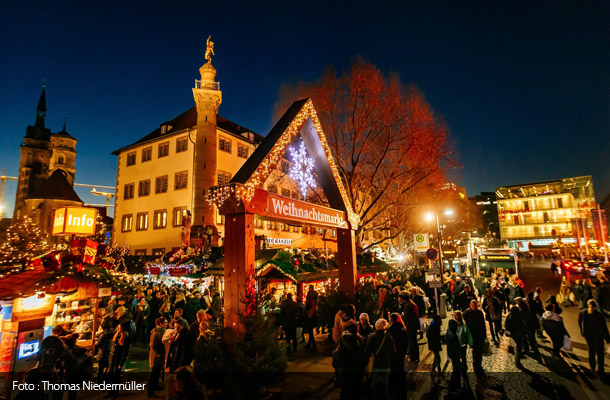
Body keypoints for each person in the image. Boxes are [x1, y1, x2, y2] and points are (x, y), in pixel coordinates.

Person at [332, 323, 367, 400]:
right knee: (354, 391)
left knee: (344, 390)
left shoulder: (342, 339)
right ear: (357, 330)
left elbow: (336, 352)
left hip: (345, 369)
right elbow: (362, 355)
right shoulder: (358, 340)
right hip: (355, 369)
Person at [366, 319, 396, 400]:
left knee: (376, 385)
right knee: (385, 385)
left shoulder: (371, 336)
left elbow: (367, 351)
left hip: (375, 364)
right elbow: (393, 351)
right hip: (386, 364)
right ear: (384, 326)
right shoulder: (389, 337)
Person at [578, 299, 610, 377]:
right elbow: (604, 328)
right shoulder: (599, 315)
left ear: (587, 304)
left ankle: (592, 368)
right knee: (600, 353)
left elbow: (580, 323)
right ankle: (600, 369)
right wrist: (608, 339)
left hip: (589, 336)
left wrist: (583, 333)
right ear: (596, 306)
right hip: (598, 336)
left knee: (591, 351)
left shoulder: (582, 313)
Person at [387, 313, 408, 400]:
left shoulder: (390, 332)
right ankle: (402, 388)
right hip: (401, 354)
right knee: (400, 369)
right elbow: (406, 343)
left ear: (391, 320)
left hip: (393, 355)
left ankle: (395, 390)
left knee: (393, 372)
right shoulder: (402, 330)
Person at [107, 322, 131, 399]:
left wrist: (121, 363)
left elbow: (125, 352)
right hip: (113, 359)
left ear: (123, 329)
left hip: (118, 359)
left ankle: (115, 393)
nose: (118, 329)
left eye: (119, 328)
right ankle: (110, 392)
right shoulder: (116, 335)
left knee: (116, 377)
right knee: (110, 375)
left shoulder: (125, 338)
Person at [463, 300, 486, 374]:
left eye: (475, 305)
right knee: (475, 351)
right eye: (473, 305)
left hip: (479, 335)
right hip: (472, 335)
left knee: (479, 351)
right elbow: (464, 324)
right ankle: (476, 365)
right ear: (470, 305)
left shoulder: (479, 313)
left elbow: (483, 324)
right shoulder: (467, 313)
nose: (474, 307)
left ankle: (478, 364)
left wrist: (484, 334)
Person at [446, 319, 469, 392]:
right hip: (454, 355)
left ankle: (456, 385)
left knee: (457, 370)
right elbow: (456, 346)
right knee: (456, 371)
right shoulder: (453, 336)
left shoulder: (449, 332)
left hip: (452, 354)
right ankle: (453, 387)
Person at [148, 317, 167, 398]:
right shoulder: (156, 333)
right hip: (156, 356)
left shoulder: (160, 331)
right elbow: (154, 345)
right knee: (153, 374)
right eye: (165, 323)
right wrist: (161, 352)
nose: (166, 324)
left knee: (157, 372)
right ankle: (150, 391)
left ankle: (155, 386)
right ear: (161, 324)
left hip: (158, 356)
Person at [454, 311, 472, 382]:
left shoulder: (464, 325)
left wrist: (470, 342)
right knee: (458, 357)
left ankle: (464, 369)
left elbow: (468, 334)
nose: (456, 317)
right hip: (456, 345)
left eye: (457, 315)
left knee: (463, 357)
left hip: (462, 344)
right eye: (455, 315)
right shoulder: (453, 324)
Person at [94, 318, 113, 383]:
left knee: (100, 370)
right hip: (110, 354)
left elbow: (98, 345)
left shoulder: (103, 335)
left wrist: (96, 342)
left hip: (102, 354)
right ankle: (107, 381)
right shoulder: (113, 333)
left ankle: (100, 383)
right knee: (107, 368)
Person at [305, 284, 319, 352]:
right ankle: (310, 344)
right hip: (312, 313)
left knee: (310, 330)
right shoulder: (310, 294)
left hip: (310, 314)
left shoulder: (312, 296)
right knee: (310, 330)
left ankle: (313, 345)